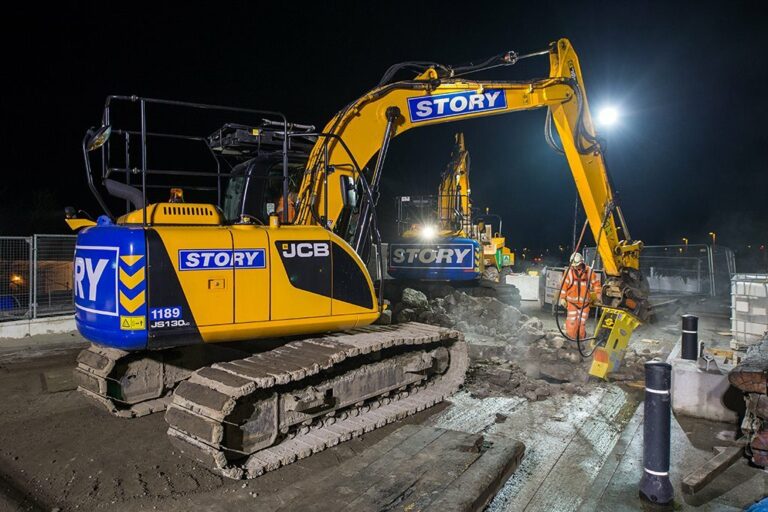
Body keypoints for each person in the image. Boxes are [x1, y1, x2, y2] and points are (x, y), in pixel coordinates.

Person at [559, 252, 602, 340]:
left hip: (584, 304)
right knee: (572, 322)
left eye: (577, 265)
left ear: (582, 262)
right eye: (574, 265)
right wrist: (562, 298)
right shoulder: (569, 273)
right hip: (572, 303)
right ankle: (571, 339)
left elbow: (596, 284)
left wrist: (598, 297)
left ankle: (580, 340)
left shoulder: (589, 271)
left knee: (581, 323)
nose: (575, 267)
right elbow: (563, 287)